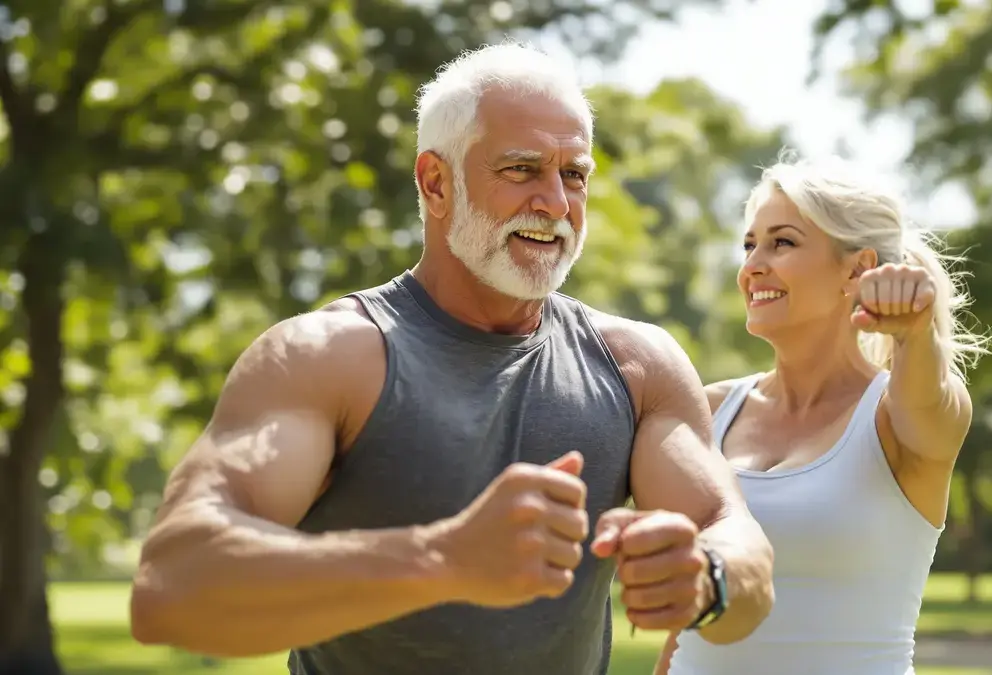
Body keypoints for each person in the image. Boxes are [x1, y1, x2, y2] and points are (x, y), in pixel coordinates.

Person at [128, 42, 774, 675]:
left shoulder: (638, 364)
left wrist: (708, 578)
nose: (555, 202)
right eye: (521, 169)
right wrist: (442, 558)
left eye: (573, 174)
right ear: (436, 182)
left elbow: (736, 541)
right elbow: (172, 588)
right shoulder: (328, 356)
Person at [655, 156, 989, 675]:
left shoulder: (896, 417)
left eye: (781, 242)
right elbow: (688, 621)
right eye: (749, 245)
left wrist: (913, 333)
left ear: (857, 269)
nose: (752, 266)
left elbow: (926, 400)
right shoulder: (708, 410)